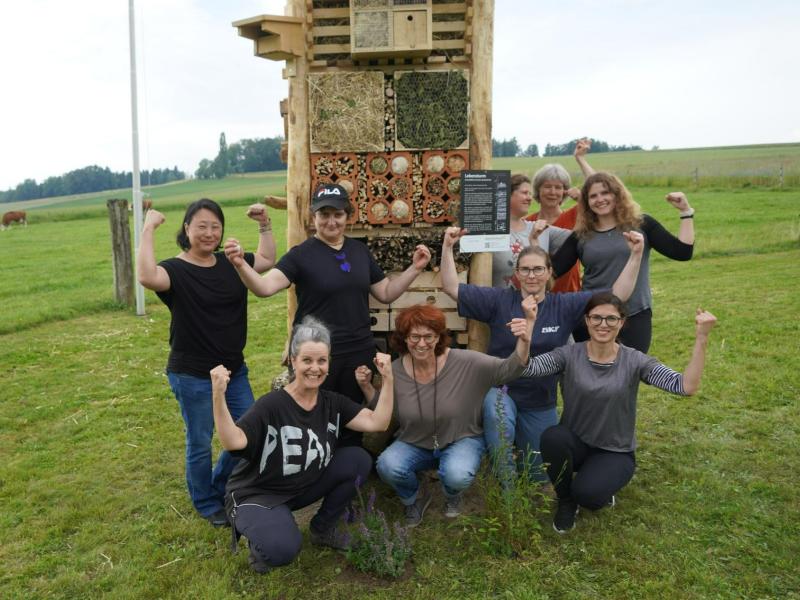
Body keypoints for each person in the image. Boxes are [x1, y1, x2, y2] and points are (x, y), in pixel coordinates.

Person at [225, 183, 431, 445]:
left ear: (348, 216)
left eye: (338, 214)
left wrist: (414, 268)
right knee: (312, 422)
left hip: (357, 353)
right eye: (324, 215)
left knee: (351, 427)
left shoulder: (359, 251)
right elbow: (264, 288)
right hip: (317, 357)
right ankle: (312, 477)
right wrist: (241, 265)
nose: (331, 221)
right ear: (314, 218)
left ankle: (348, 475)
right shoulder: (300, 255)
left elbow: (387, 292)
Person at [440, 226, 644, 484]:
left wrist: (635, 255)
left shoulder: (564, 305)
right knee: (496, 413)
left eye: (538, 269)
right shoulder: (499, 301)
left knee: (540, 476)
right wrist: (447, 247)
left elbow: (617, 296)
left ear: (549, 272)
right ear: (517, 274)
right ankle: (506, 485)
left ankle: (518, 463)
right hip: (502, 389)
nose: (532, 275)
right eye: (525, 269)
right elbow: (450, 286)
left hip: (540, 398)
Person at [512, 292, 717, 533]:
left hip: (615, 450)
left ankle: (597, 488)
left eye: (611, 319)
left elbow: (685, 386)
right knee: (552, 437)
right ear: (586, 321)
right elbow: (527, 369)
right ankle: (566, 501)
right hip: (576, 442)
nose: (603, 324)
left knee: (589, 495)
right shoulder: (568, 355)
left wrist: (702, 337)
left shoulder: (635, 361)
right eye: (596, 318)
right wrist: (526, 337)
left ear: (621, 322)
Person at [213, 316, 394, 574]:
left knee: (358, 459)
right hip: (258, 493)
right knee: (283, 548)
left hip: (301, 486)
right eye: (307, 360)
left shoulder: (333, 403)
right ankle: (262, 542)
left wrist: (388, 379)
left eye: (322, 360)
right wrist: (218, 395)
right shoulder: (272, 405)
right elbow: (233, 441)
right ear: (293, 361)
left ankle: (323, 529)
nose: (315, 368)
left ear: (329, 364)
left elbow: (379, 422)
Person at [137, 198, 276, 526]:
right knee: (200, 440)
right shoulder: (175, 269)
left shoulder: (231, 262)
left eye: (215, 226)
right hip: (192, 374)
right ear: (187, 228)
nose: (209, 232)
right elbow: (146, 276)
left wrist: (264, 223)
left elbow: (269, 258)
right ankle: (205, 501)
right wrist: (148, 227)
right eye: (201, 226)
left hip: (234, 371)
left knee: (250, 430)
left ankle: (218, 483)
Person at [367, 300, 536, 527]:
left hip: (461, 437)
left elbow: (510, 369)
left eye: (429, 336)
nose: (421, 343)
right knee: (387, 465)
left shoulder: (464, 361)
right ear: (404, 338)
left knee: (457, 474)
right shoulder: (395, 371)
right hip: (415, 441)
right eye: (414, 337)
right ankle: (415, 497)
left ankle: (452, 495)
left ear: (438, 337)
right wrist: (366, 386)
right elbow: (381, 409)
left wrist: (524, 340)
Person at [551, 171, 695, 353]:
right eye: (593, 196)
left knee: (629, 375)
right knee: (589, 377)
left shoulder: (642, 224)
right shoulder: (581, 234)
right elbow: (552, 270)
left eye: (605, 193)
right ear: (586, 202)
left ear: (617, 194)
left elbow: (682, 252)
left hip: (633, 316)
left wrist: (685, 212)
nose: (599, 199)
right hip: (593, 317)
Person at [525, 139, 591, 292]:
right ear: (538, 190)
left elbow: (598, 187)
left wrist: (580, 159)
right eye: (547, 186)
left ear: (565, 192)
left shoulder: (575, 215)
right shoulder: (527, 223)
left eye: (558, 187)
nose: (553, 192)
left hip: (569, 296)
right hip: (536, 297)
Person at [492, 174, 571, 288]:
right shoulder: (489, 232)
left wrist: (582, 200)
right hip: (500, 304)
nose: (529, 198)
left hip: (537, 304)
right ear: (506, 196)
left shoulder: (541, 229)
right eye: (524, 193)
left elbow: (580, 237)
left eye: (530, 194)